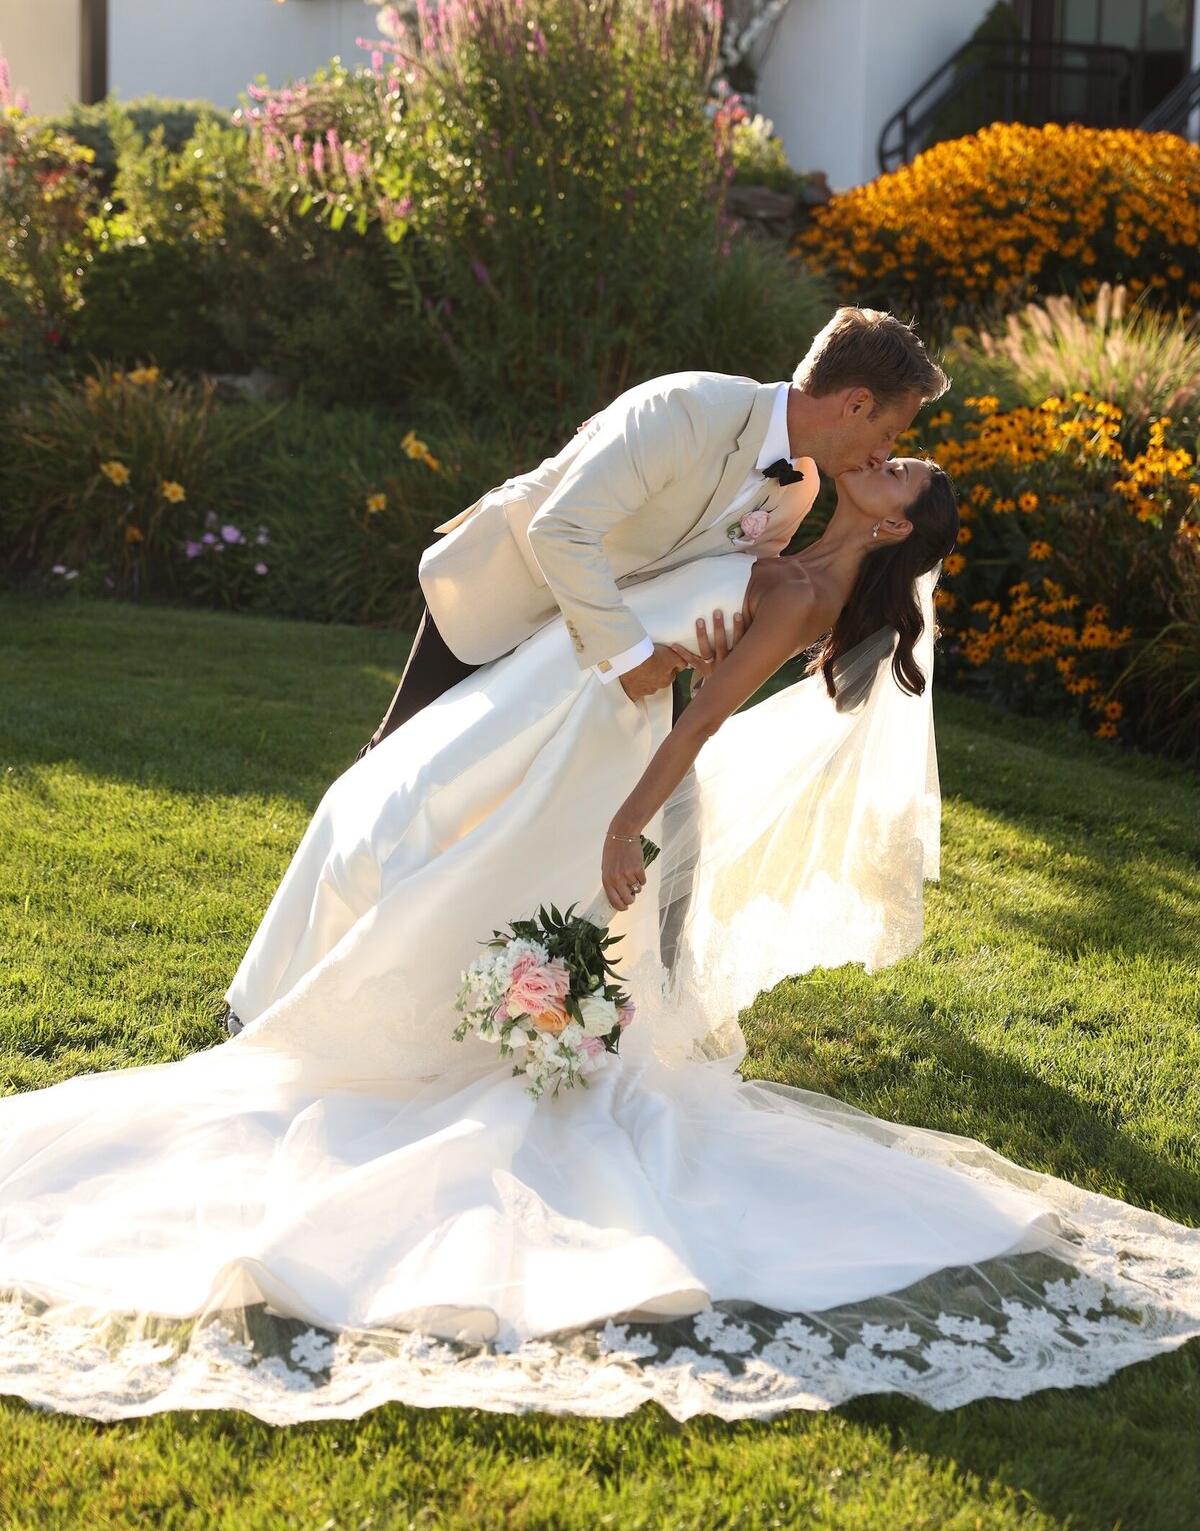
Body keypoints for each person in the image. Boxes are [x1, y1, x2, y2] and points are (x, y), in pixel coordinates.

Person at [2, 454, 1199, 1426]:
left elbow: (702, 725)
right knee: (575, 956)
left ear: (892, 532)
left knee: (578, 968)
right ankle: (517, 1026)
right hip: (626, 763)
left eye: (896, 475)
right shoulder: (786, 558)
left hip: (641, 789)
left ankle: (507, 1042)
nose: (876, 466)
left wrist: (629, 821)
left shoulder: (794, 592)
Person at [354, 305, 948, 756]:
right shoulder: (685, 410)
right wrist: (630, 656)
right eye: (890, 433)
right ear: (856, 404)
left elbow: (718, 581)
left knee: (484, 785)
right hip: (505, 586)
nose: (883, 451)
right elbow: (559, 529)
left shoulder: (799, 490)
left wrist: (722, 647)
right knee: (399, 754)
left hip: (578, 648)